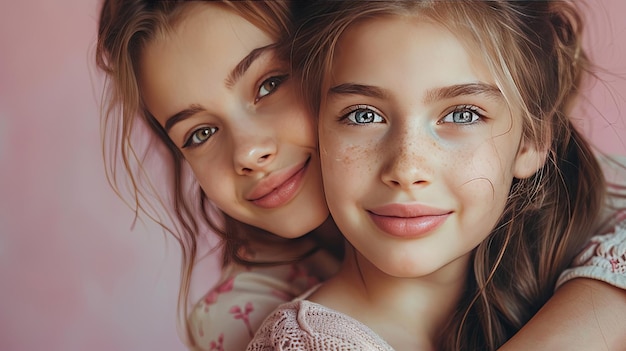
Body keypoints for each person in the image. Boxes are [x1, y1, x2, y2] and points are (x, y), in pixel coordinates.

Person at [94, 1, 626, 350]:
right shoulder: (250, 320)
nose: (250, 152)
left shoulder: (542, 201)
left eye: (270, 84)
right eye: (198, 133)